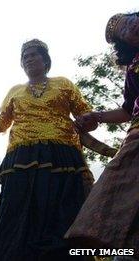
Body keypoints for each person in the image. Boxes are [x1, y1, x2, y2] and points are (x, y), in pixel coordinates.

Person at [0, 39, 94, 260]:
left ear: (45, 60)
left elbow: (86, 115)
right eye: (24, 56)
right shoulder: (15, 91)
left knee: (60, 208)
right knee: (16, 210)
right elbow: (2, 122)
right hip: (21, 157)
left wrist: (88, 121)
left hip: (61, 154)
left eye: (33, 55)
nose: (28, 59)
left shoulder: (63, 84)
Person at [65, 12, 139, 255]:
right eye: (125, 31)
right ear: (126, 43)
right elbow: (128, 109)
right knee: (116, 189)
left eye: (131, 20)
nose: (132, 26)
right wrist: (97, 116)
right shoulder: (133, 68)